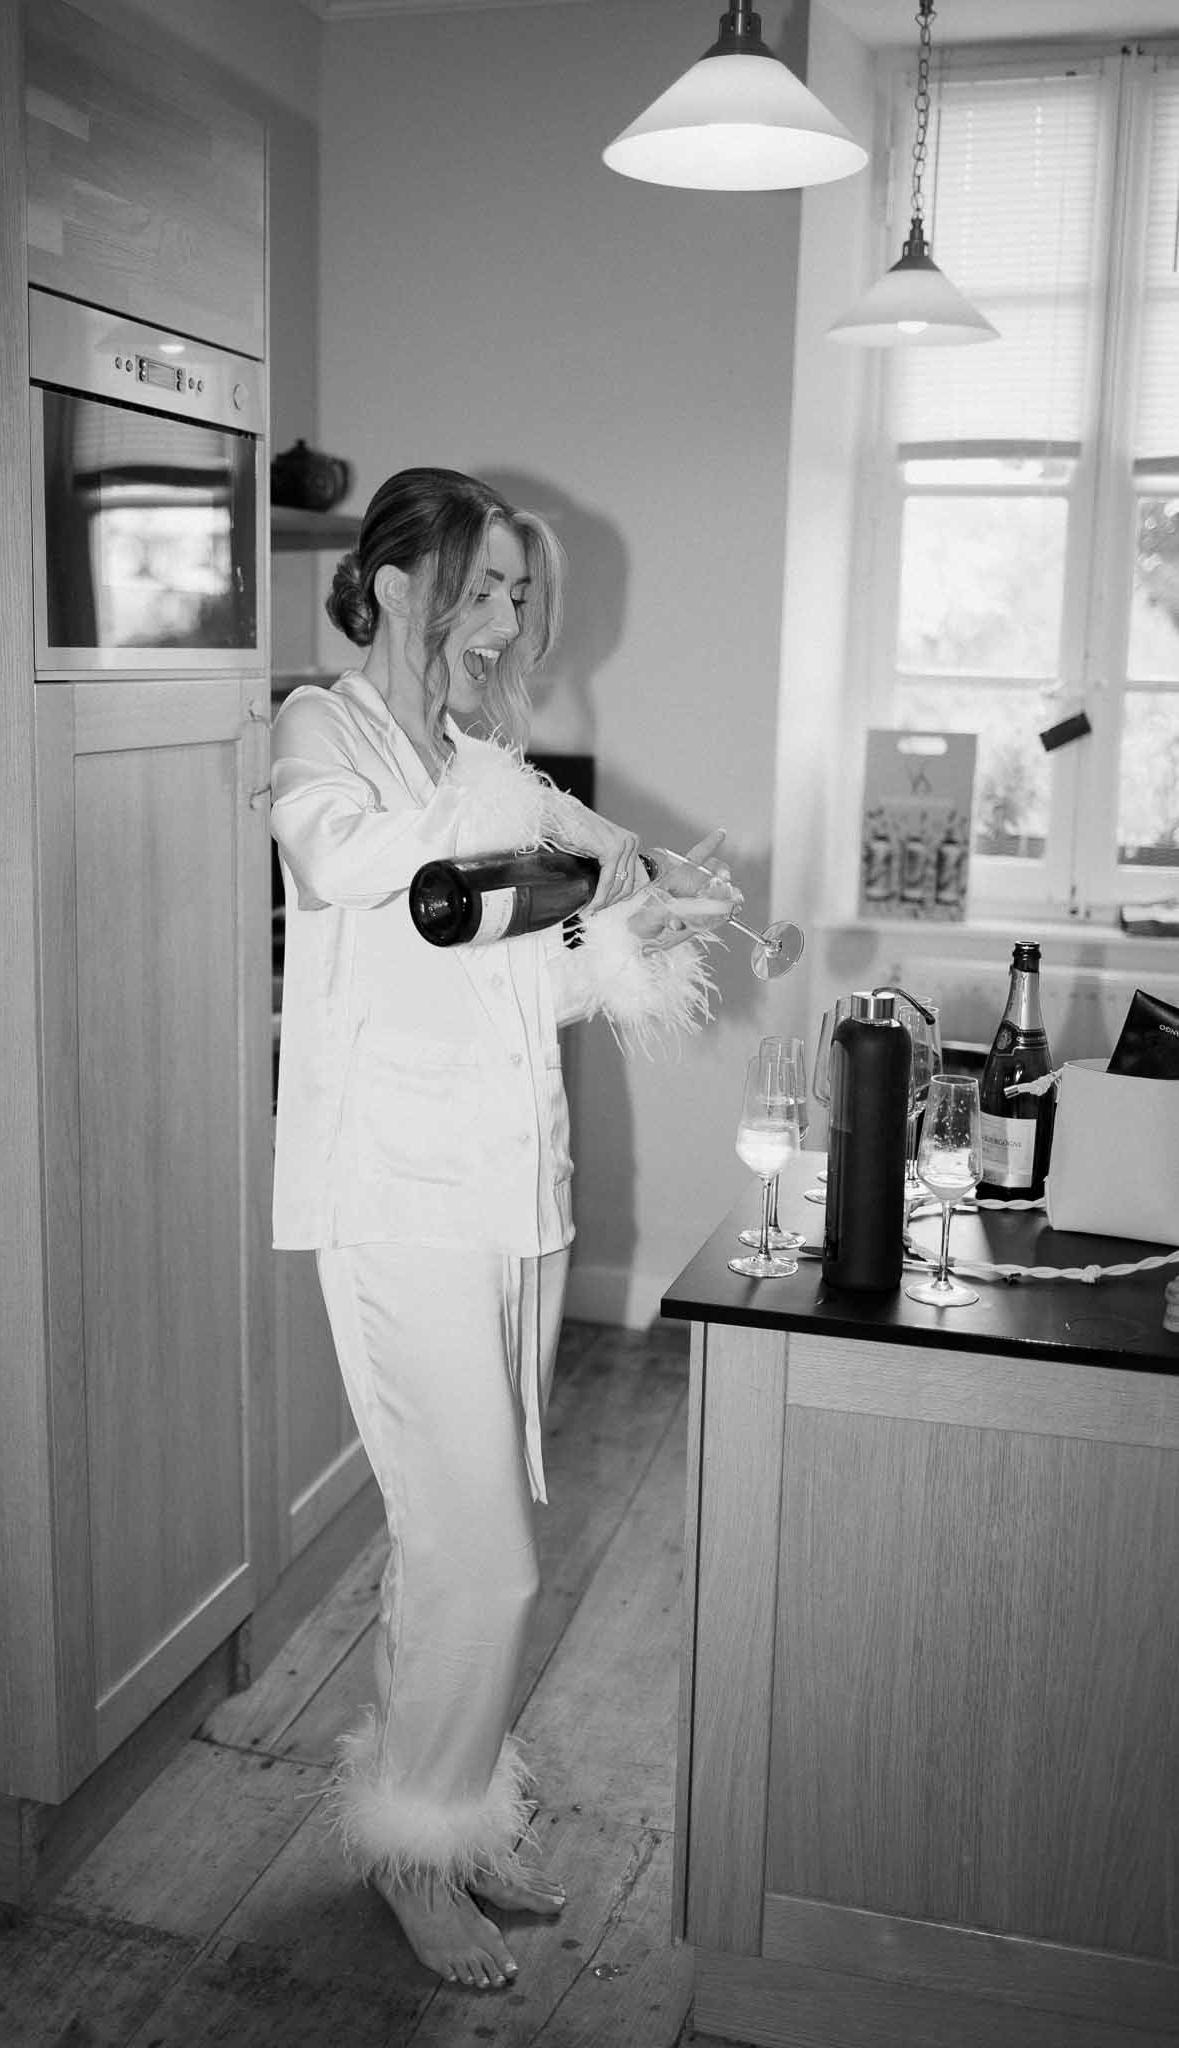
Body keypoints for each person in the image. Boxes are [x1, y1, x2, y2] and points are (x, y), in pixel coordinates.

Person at [268, 466, 739, 1990]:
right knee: (486, 1559)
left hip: (512, 1194)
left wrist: (629, 916)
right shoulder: (322, 731)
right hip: (395, 1197)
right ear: (398, 584)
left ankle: (448, 1817)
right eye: (483, 589)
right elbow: (337, 862)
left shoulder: (485, 757)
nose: (507, 621)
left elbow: (522, 974)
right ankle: (416, 1851)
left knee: (453, 1542)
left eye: (521, 597)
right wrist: (528, 848)